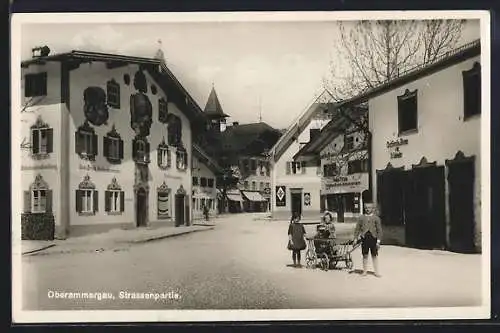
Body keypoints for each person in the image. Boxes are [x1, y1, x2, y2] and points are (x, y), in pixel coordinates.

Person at [353, 202, 383, 277]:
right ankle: (364, 271)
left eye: (369, 208)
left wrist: (378, 241)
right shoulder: (361, 218)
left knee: (374, 255)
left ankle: (376, 272)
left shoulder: (376, 218)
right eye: (366, 208)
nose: (367, 209)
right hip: (364, 239)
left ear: (373, 209)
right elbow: (357, 229)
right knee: (365, 255)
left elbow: (379, 230)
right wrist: (355, 238)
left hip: (373, 238)